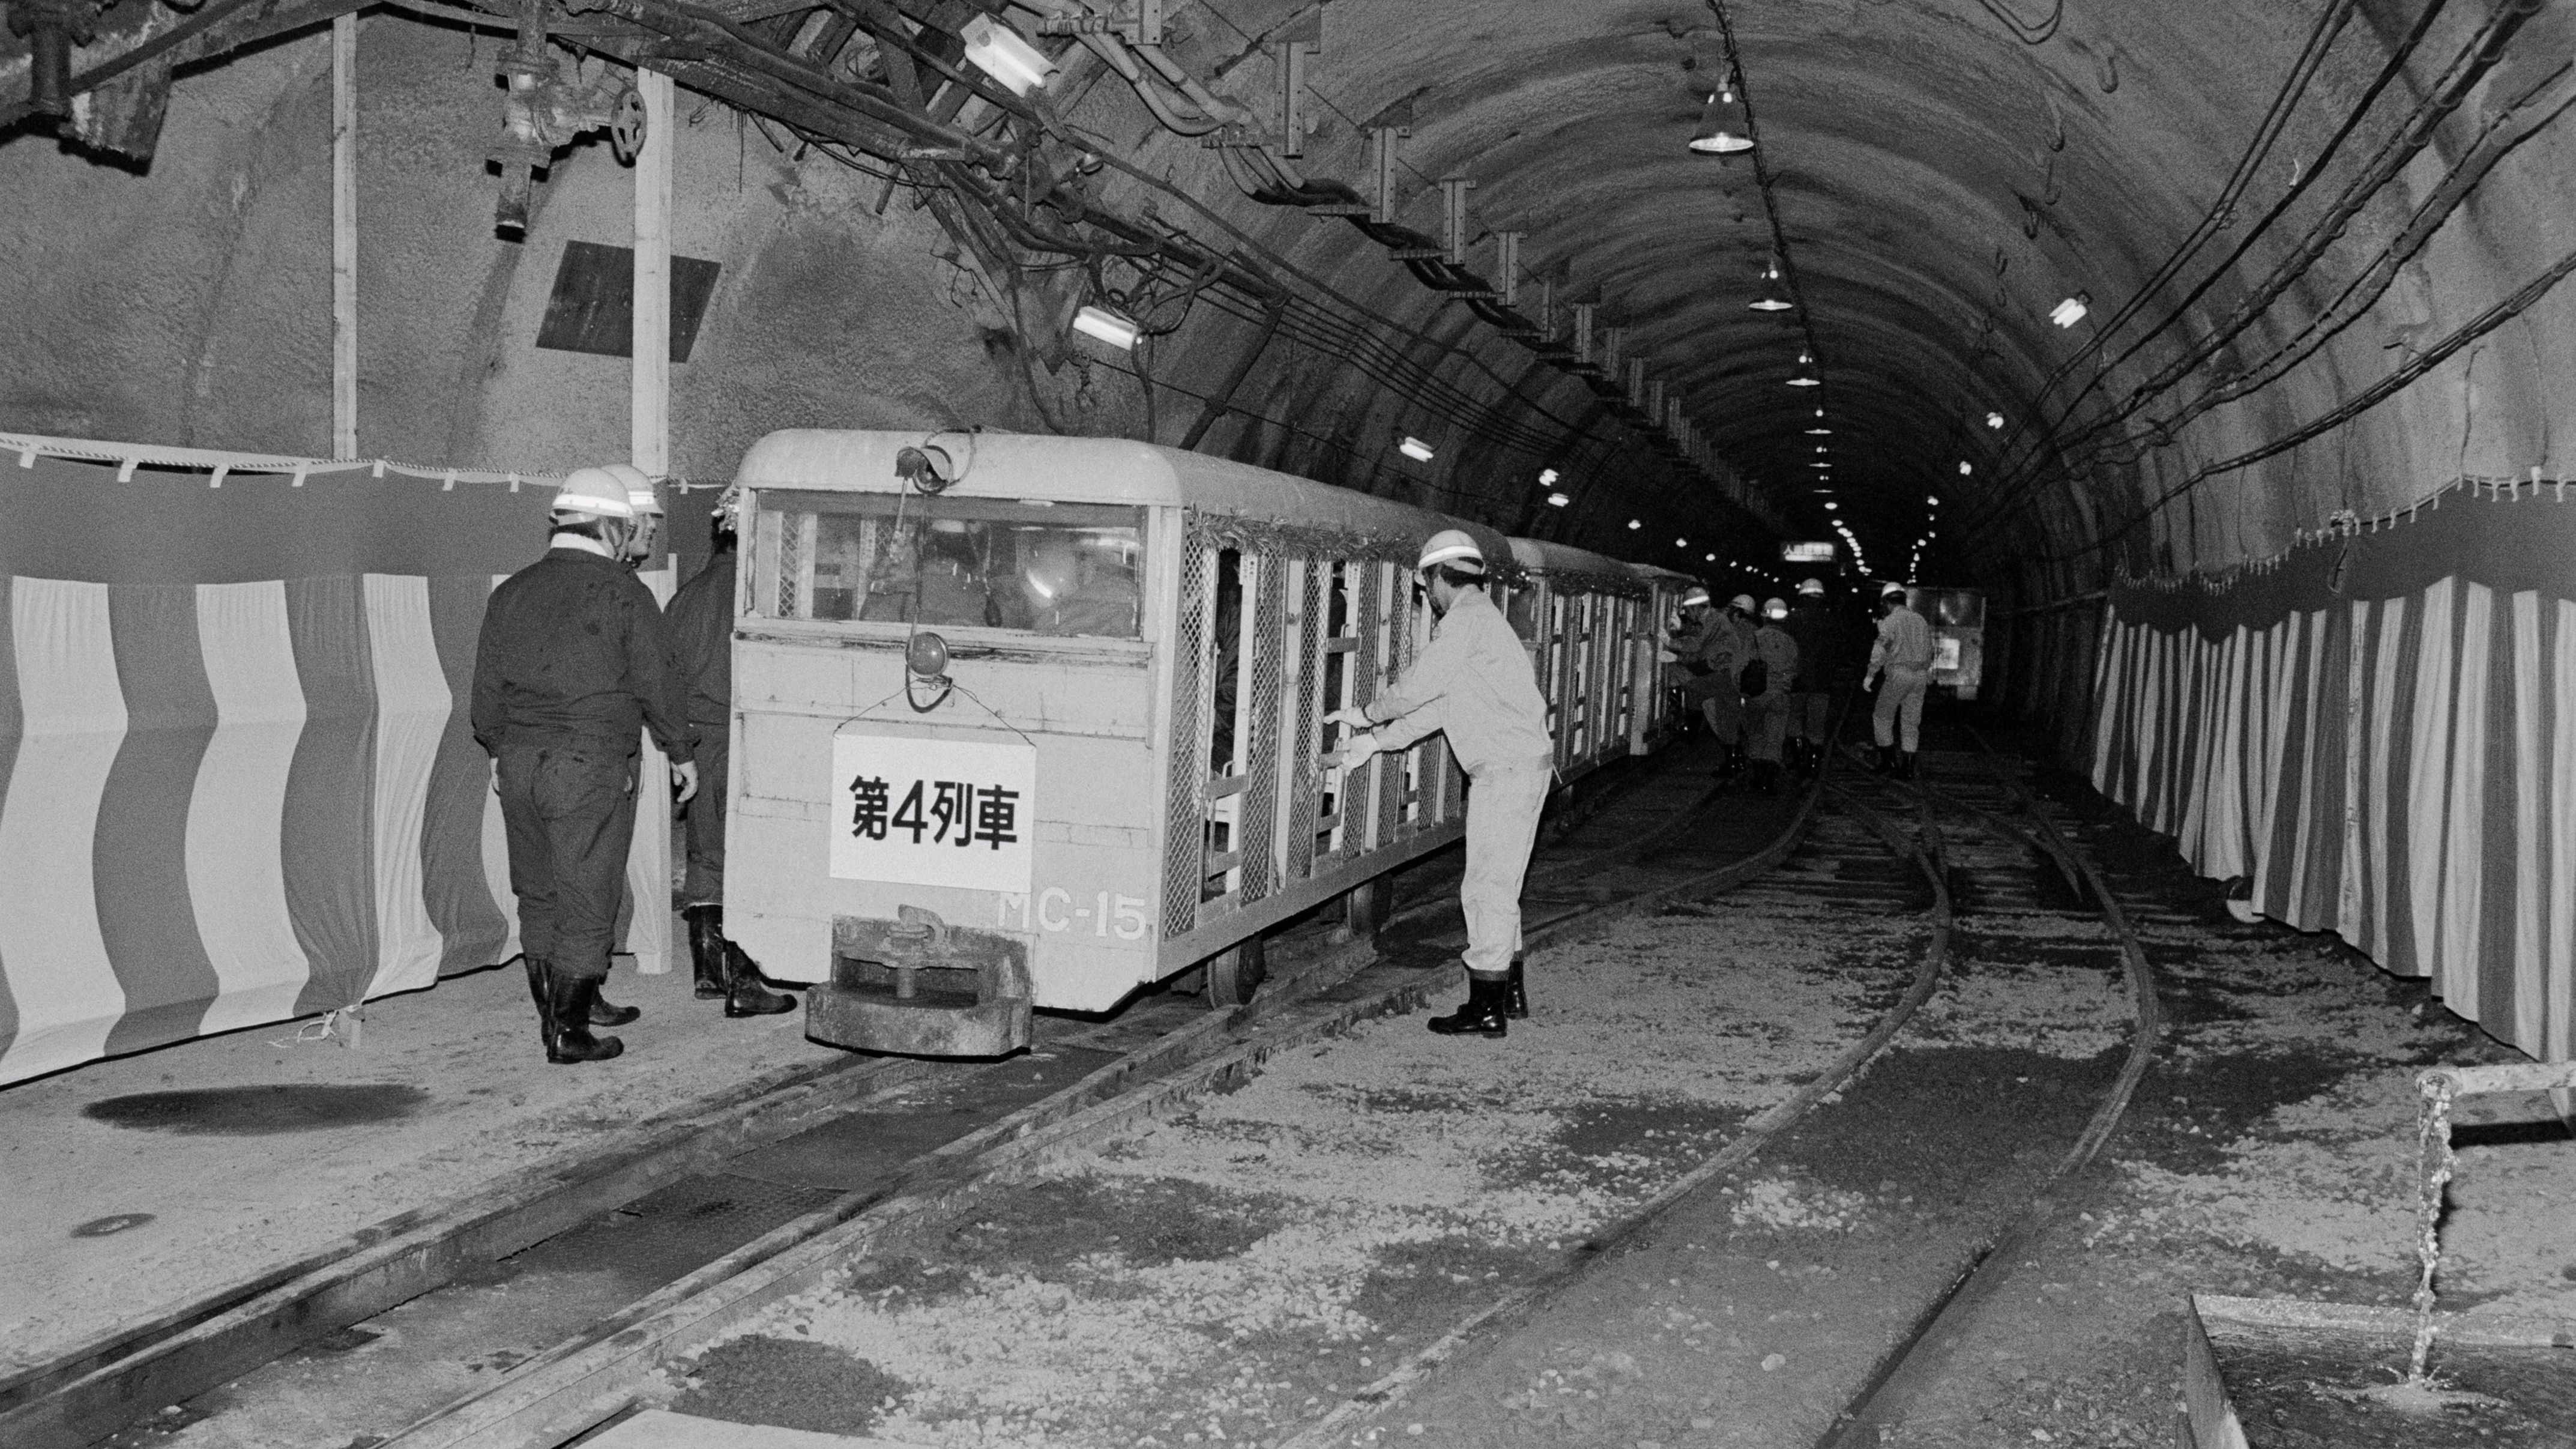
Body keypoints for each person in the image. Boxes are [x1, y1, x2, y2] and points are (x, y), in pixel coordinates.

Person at [472, 470, 698, 1064]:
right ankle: (570, 1032)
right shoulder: (623, 594)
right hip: (588, 763)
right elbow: (659, 682)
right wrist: (680, 751)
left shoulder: (510, 591)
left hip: (518, 765)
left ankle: (553, 1014)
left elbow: (484, 697)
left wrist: (499, 750)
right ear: (610, 527)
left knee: (539, 893)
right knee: (587, 897)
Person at [1327, 531, 1552, 1039]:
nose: (1426, 596)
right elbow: (1442, 705)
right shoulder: (1481, 620)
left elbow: (1421, 686)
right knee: (1502, 885)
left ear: (1436, 578)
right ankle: (1509, 994)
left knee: (1486, 888)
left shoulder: (1464, 621)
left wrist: (1366, 713)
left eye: (1426, 584)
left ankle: (1486, 1008)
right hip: (1518, 768)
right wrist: (1378, 741)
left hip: (1505, 772)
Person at [663, 494, 797, 1018]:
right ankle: (744, 981)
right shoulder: (763, 599)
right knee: (750, 861)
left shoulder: (687, 597)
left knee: (705, 854)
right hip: (747, 742)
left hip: (697, 745)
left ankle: (706, 970)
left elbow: (662, 677)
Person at [1862, 582, 1935, 778]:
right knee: (1911, 723)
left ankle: (1889, 762)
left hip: (1899, 674)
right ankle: (1909, 768)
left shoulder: (1890, 622)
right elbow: (1930, 649)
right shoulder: (1920, 620)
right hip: (1920, 676)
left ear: (1886, 602)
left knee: (1882, 717)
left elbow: (1880, 651)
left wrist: (1871, 675)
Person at [1779, 578, 1838, 775]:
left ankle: (1795, 759)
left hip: (1797, 679)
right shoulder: (1830, 620)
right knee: (1817, 725)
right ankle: (1813, 763)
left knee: (1794, 719)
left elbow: (1785, 648)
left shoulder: (1792, 619)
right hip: (1822, 681)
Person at [1742, 599, 1801, 795]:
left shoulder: (1754, 637)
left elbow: (1741, 667)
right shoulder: (1790, 641)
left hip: (1756, 695)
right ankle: (1768, 783)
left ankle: (1757, 780)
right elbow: (1795, 669)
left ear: (1764, 615)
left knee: (1757, 735)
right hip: (1780, 696)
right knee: (1775, 739)